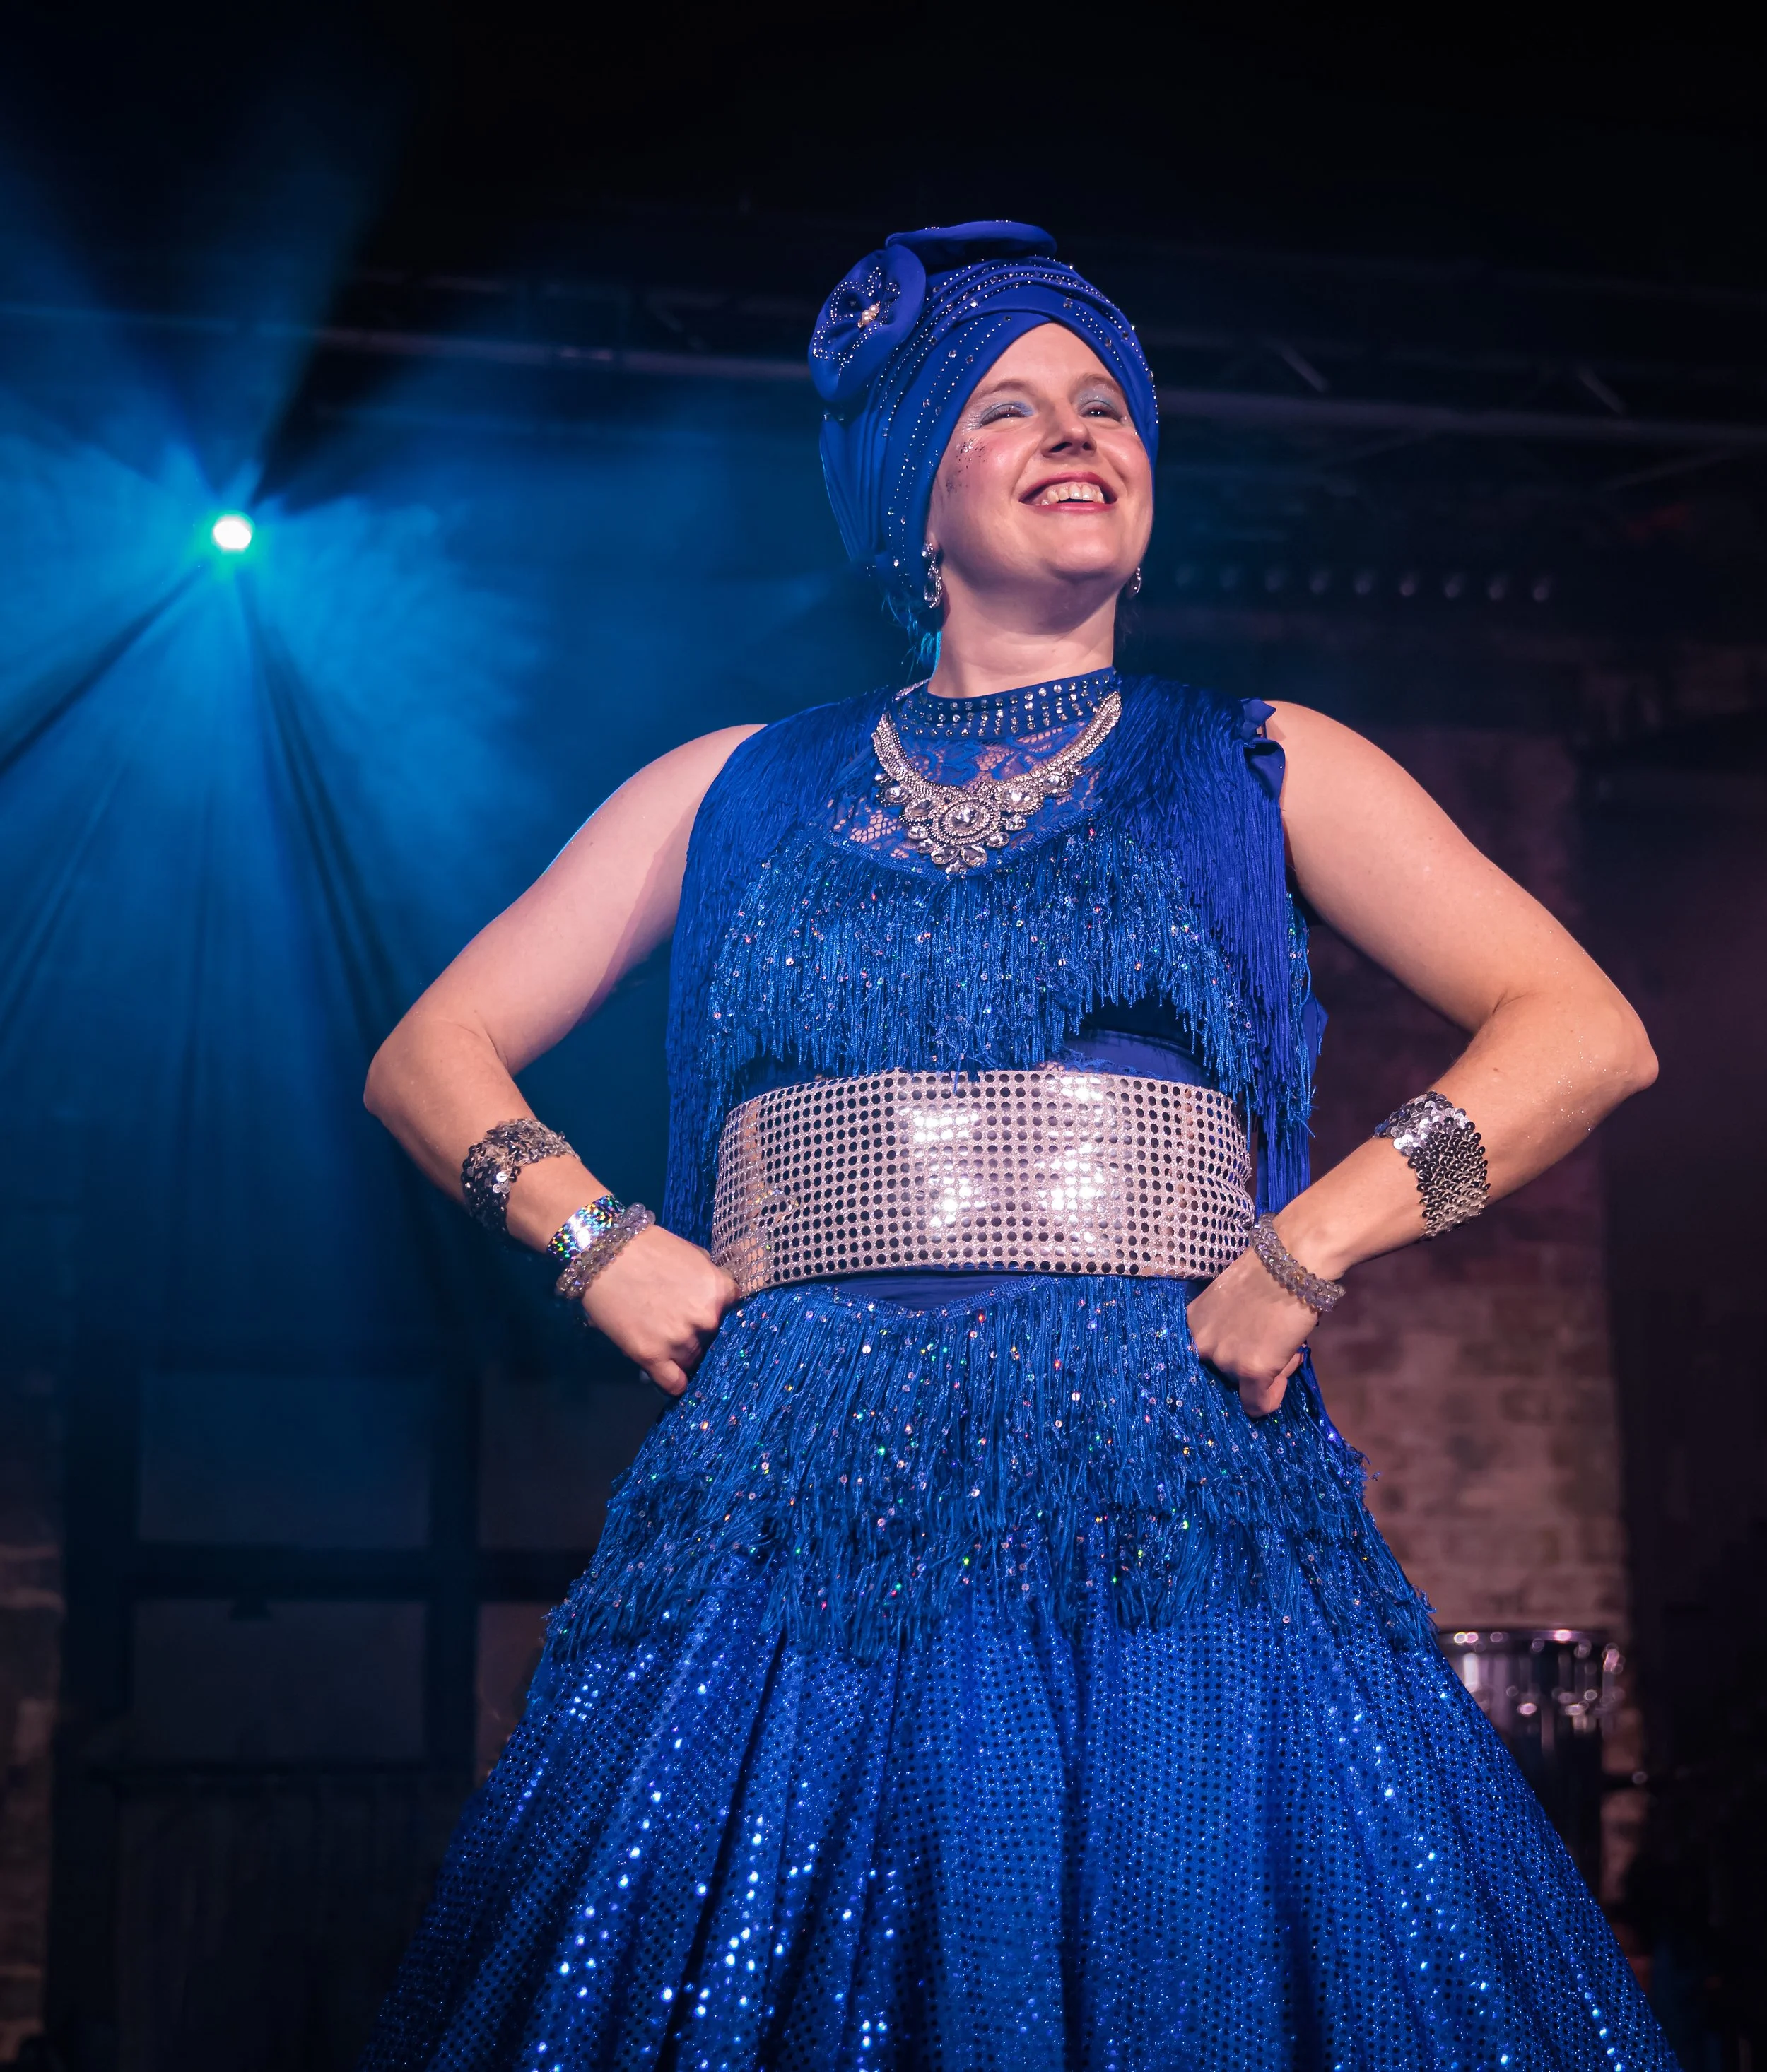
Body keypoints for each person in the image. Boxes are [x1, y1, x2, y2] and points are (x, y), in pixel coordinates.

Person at [360, 223, 1672, 2070]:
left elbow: (1584, 1031)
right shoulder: (724, 784)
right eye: (1007, 405)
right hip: (797, 1480)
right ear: (907, 491)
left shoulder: (1266, 760)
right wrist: (596, 1240)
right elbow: (431, 1051)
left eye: (1104, 406)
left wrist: (1311, 1244)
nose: (1077, 434)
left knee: (1180, 1956)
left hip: (1157, 1472)